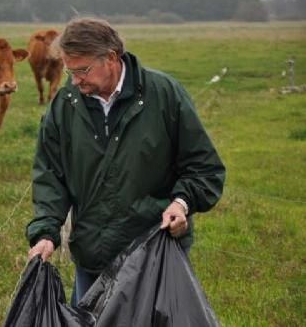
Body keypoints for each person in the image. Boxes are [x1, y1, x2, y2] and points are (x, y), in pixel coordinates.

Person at [26, 17, 225, 307]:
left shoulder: (165, 95)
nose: (75, 80)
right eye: (70, 72)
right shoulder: (65, 103)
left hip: (157, 256)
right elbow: (50, 174)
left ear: (110, 58)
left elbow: (204, 168)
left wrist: (181, 204)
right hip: (92, 255)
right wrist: (45, 232)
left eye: (82, 71)